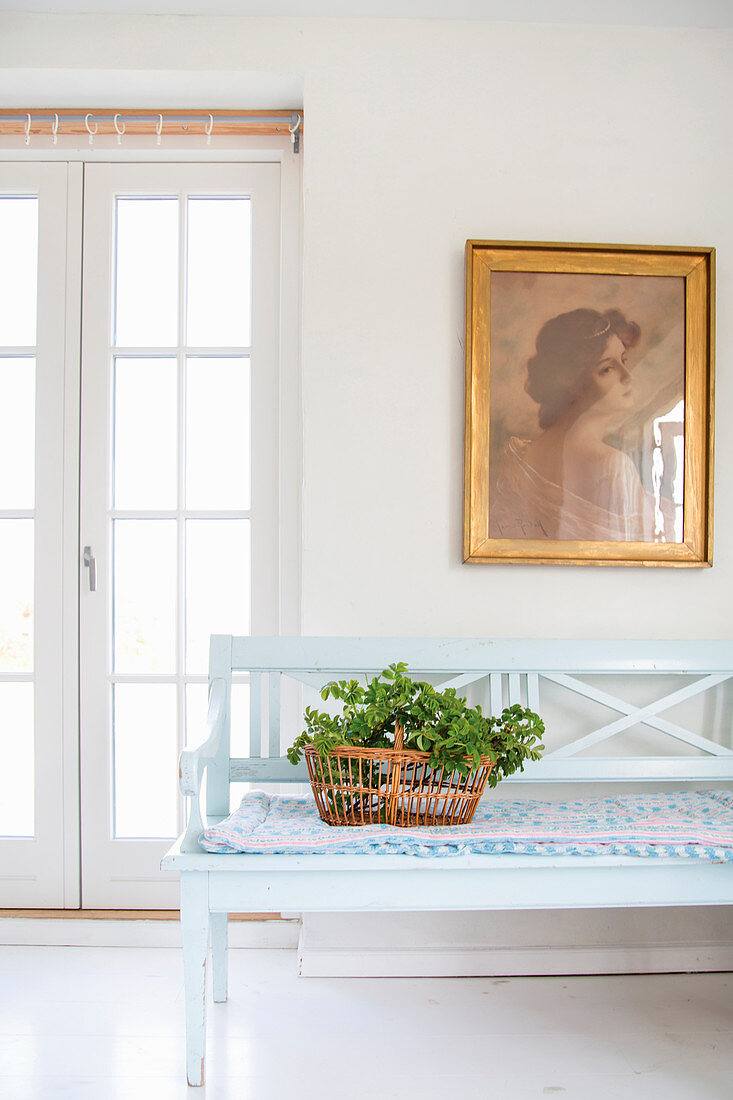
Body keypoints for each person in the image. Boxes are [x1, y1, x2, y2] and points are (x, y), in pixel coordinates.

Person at [490, 307, 672, 542]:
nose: (628, 375)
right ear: (572, 381)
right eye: (607, 369)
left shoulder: (520, 455)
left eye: (624, 360)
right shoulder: (613, 466)